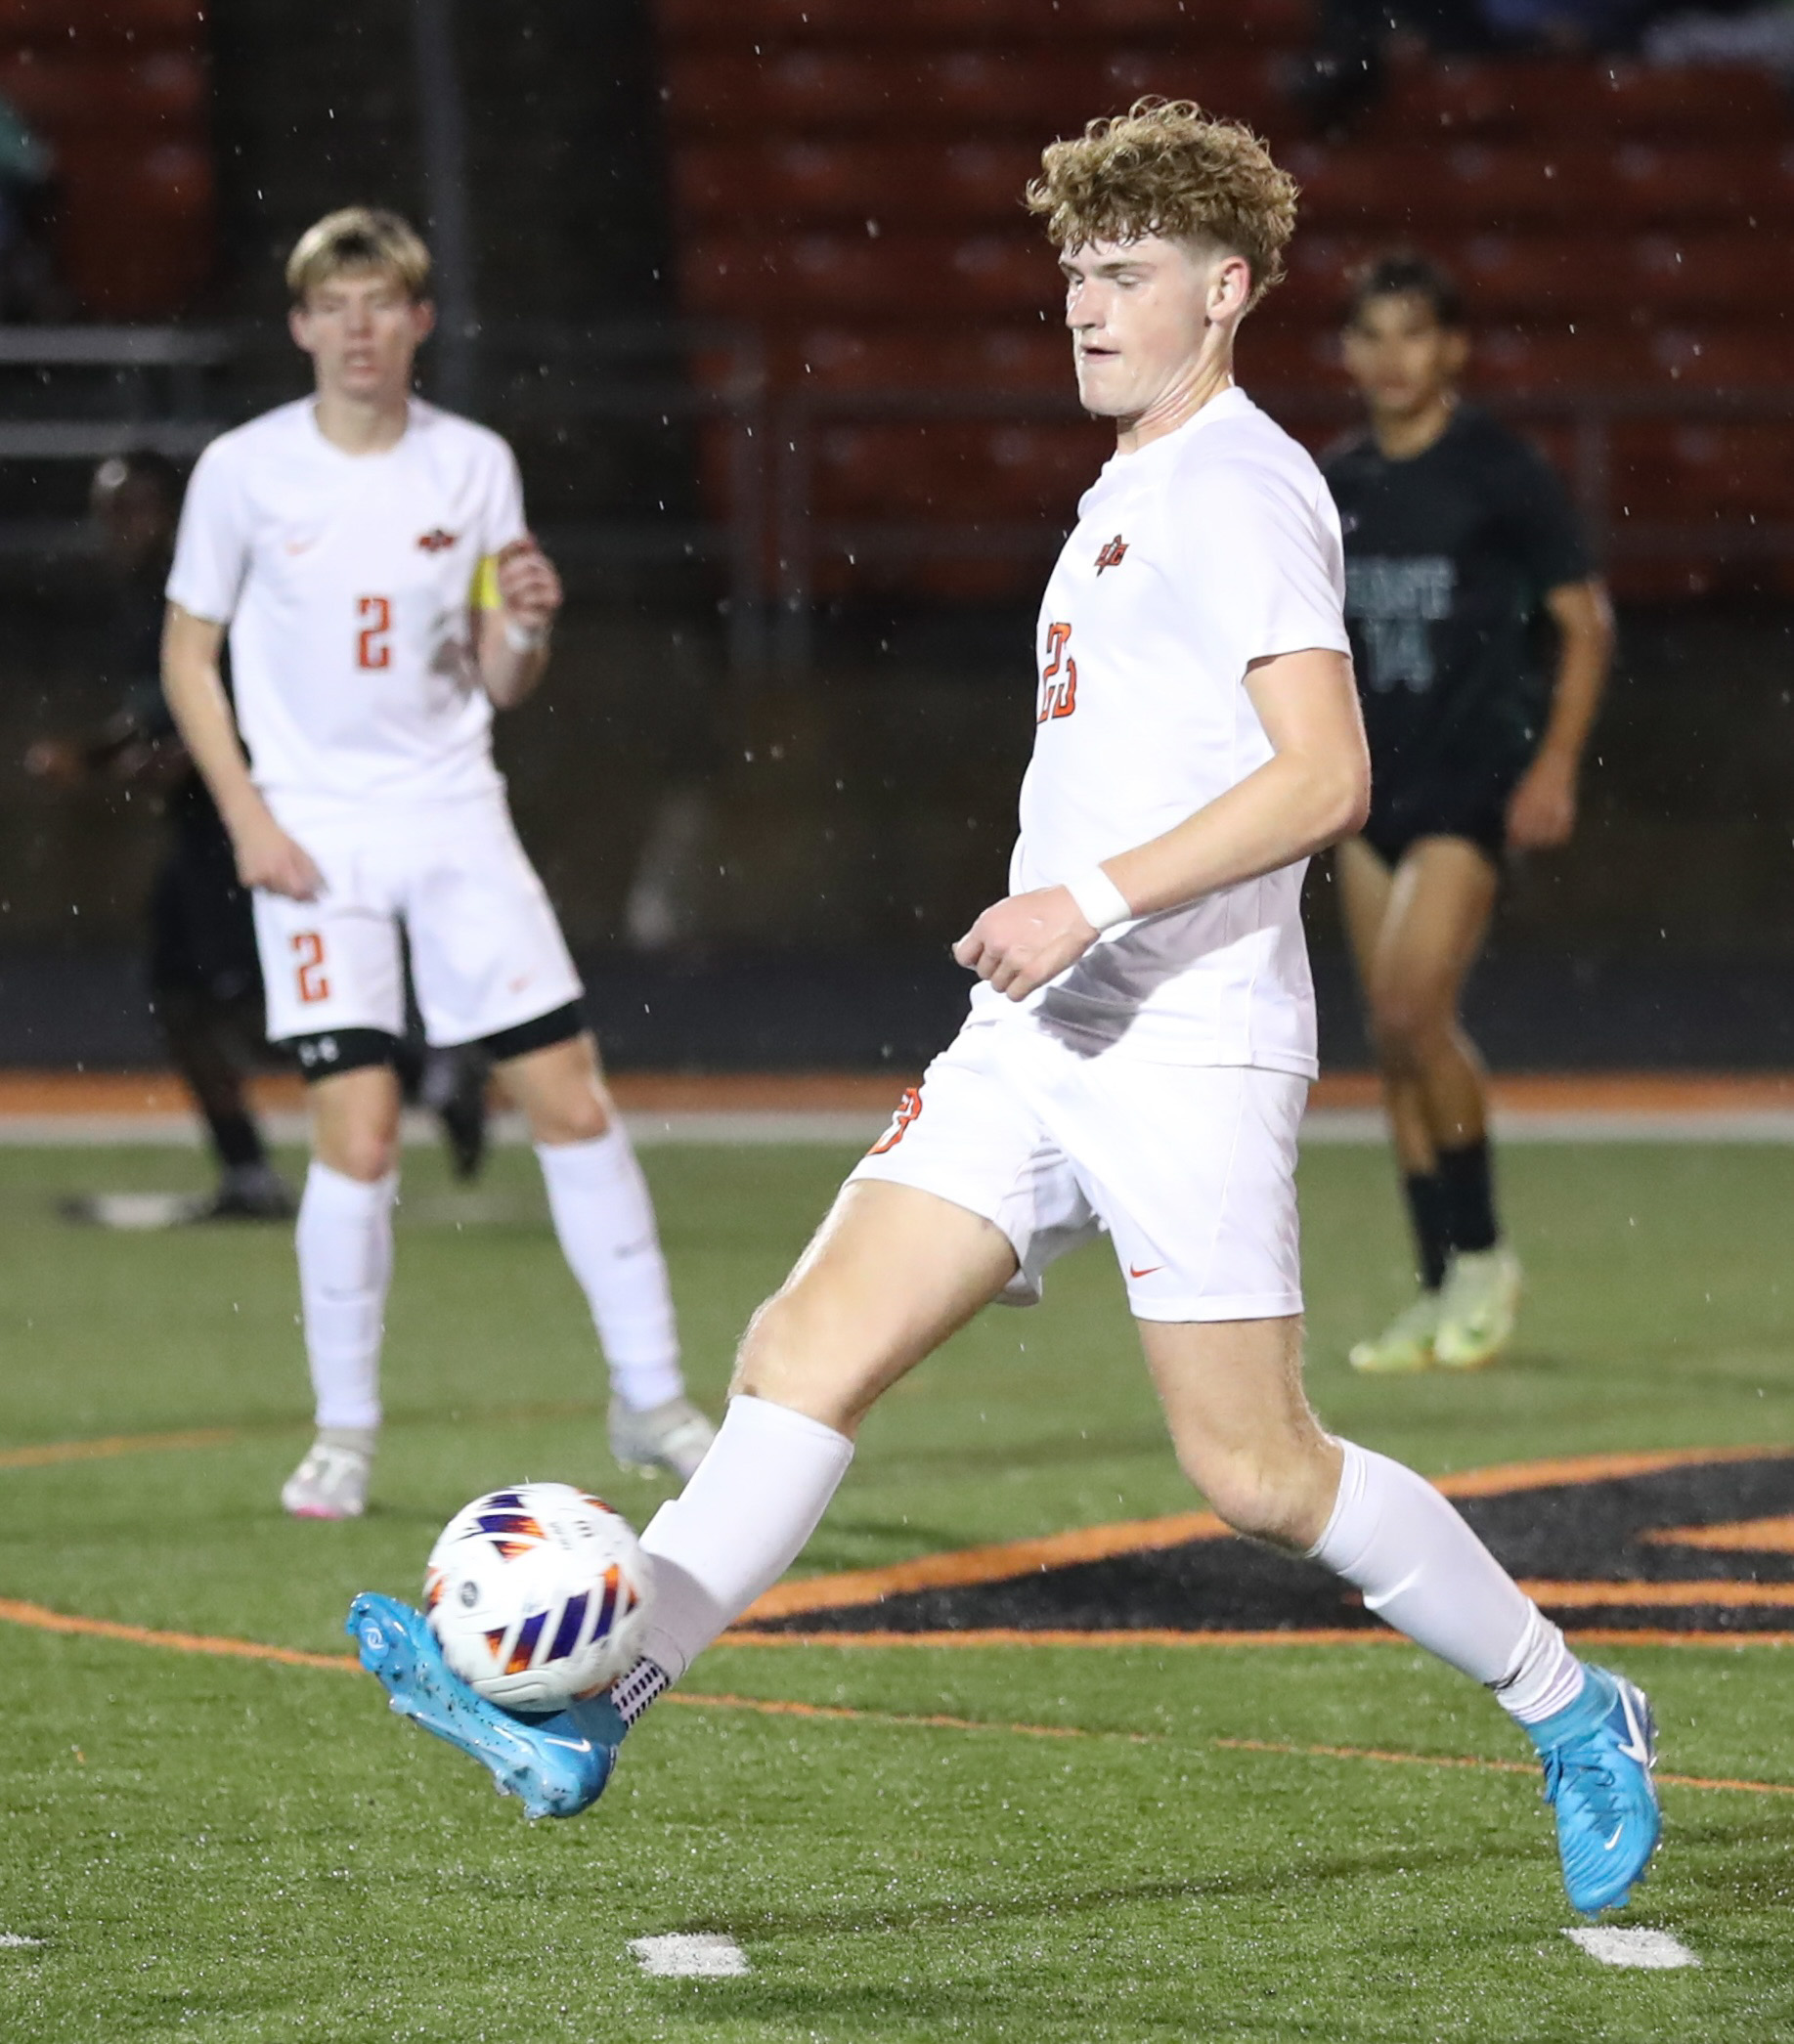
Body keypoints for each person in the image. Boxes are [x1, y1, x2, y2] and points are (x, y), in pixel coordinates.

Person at [346, 108, 1658, 1918]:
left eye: (1124, 274)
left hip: (1187, 1038)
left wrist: (1086, 898)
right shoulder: (1129, 485)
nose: (1084, 307)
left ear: (1228, 289)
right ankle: (598, 1706)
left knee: (1255, 1469)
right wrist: (1068, 924)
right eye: (1071, 275)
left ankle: (1574, 1704)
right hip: (1036, 1038)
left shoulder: (1238, 483)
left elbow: (1325, 779)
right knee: (802, 1352)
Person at [161, 207, 715, 1517]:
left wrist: (526, 626)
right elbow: (188, 655)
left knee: (569, 1101)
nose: (357, 330)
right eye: (333, 307)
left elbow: (500, 675)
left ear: (418, 321)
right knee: (356, 1130)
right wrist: (248, 818)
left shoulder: (471, 464)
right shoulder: (244, 470)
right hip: (315, 833)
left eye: (381, 306)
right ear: (300, 325)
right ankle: (344, 1431)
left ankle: (650, 1398)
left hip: (454, 812)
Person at [1323, 255, 1614, 1375]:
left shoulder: (1497, 471)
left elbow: (1582, 624)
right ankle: (1437, 1279)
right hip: (1367, 789)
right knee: (1389, 1039)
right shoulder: (1333, 481)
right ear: (1346, 352)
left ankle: (1485, 1255)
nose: (1391, 357)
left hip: (1466, 781)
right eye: (1370, 334)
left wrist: (1553, 767)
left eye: (1412, 333)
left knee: (1412, 1010)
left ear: (1450, 348)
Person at [27, 452, 294, 1223]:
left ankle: (420, 1070)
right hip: (198, 830)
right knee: (182, 1001)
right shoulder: (146, 596)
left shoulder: (208, 586)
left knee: (251, 1006)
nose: (119, 526)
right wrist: (95, 756)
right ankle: (246, 1171)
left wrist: (178, 758)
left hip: (241, 824)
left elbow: (248, 699)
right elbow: (158, 710)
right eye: (108, 510)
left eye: (134, 507)